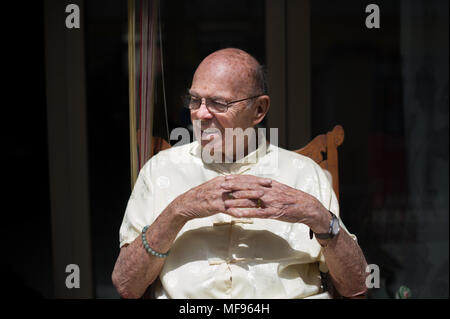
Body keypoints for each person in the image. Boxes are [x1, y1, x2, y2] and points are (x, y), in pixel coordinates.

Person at [112, 48, 368, 299]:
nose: (200, 114)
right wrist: (178, 211)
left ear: (259, 109)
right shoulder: (161, 170)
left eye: (218, 103)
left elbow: (356, 286)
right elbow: (126, 285)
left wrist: (317, 215)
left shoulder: (305, 173)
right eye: (194, 100)